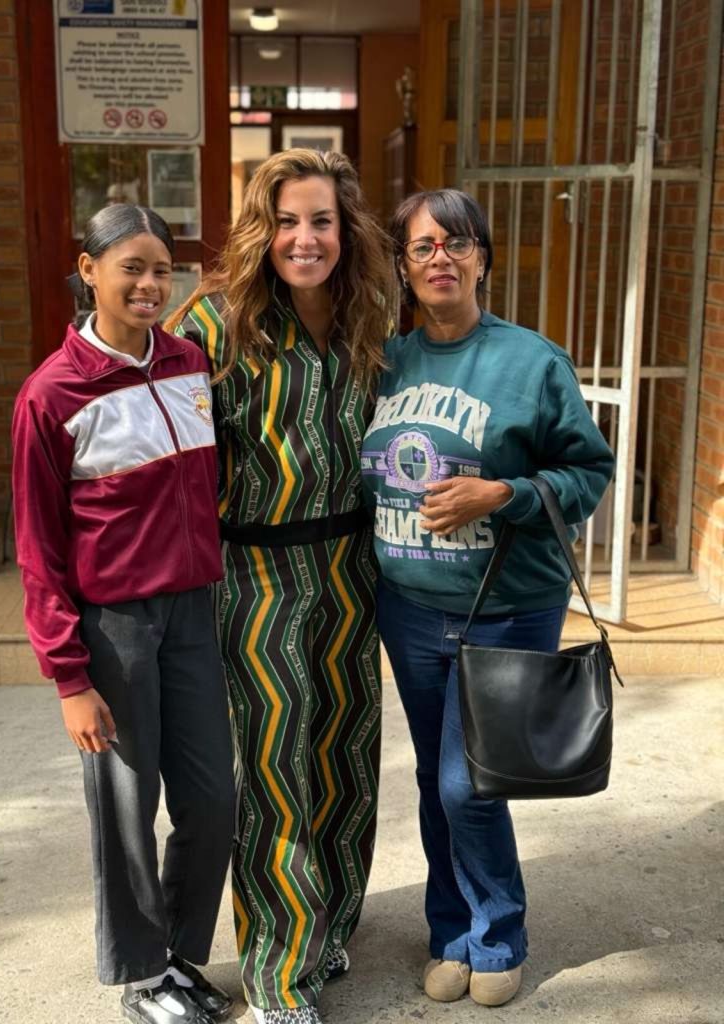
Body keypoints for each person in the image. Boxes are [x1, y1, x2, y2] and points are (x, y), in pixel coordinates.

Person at [361, 189, 615, 1008]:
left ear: (483, 259)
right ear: (403, 267)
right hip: (408, 605)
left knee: (469, 784)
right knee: (438, 780)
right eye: (422, 246)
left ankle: (498, 933)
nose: (441, 257)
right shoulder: (383, 362)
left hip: (505, 606)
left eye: (457, 242)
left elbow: (588, 471)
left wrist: (503, 494)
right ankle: (450, 933)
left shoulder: (531, 361)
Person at [165, 149, 397, 1024]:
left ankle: (328, 924)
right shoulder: (210, 325)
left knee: (346, 760)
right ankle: (278, 977)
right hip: (255, 573)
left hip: (352, 567)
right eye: (287, 221)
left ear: (346, 229)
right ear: (260, 231)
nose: (306, 238)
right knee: (275, 776)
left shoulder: (365, 312)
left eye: (322, 221)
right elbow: (164, 455)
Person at [12, 204, 236, 1024]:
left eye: (161, 270)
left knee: (212, 800)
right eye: (130, 268)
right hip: (115, 630)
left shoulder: (188, 363)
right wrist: (70, 678)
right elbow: (38, 549)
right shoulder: (52, 394)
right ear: (89, 270)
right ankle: (144, 978)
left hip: (192, 615)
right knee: (126, 810)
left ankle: (177, 955)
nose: (148, 285)